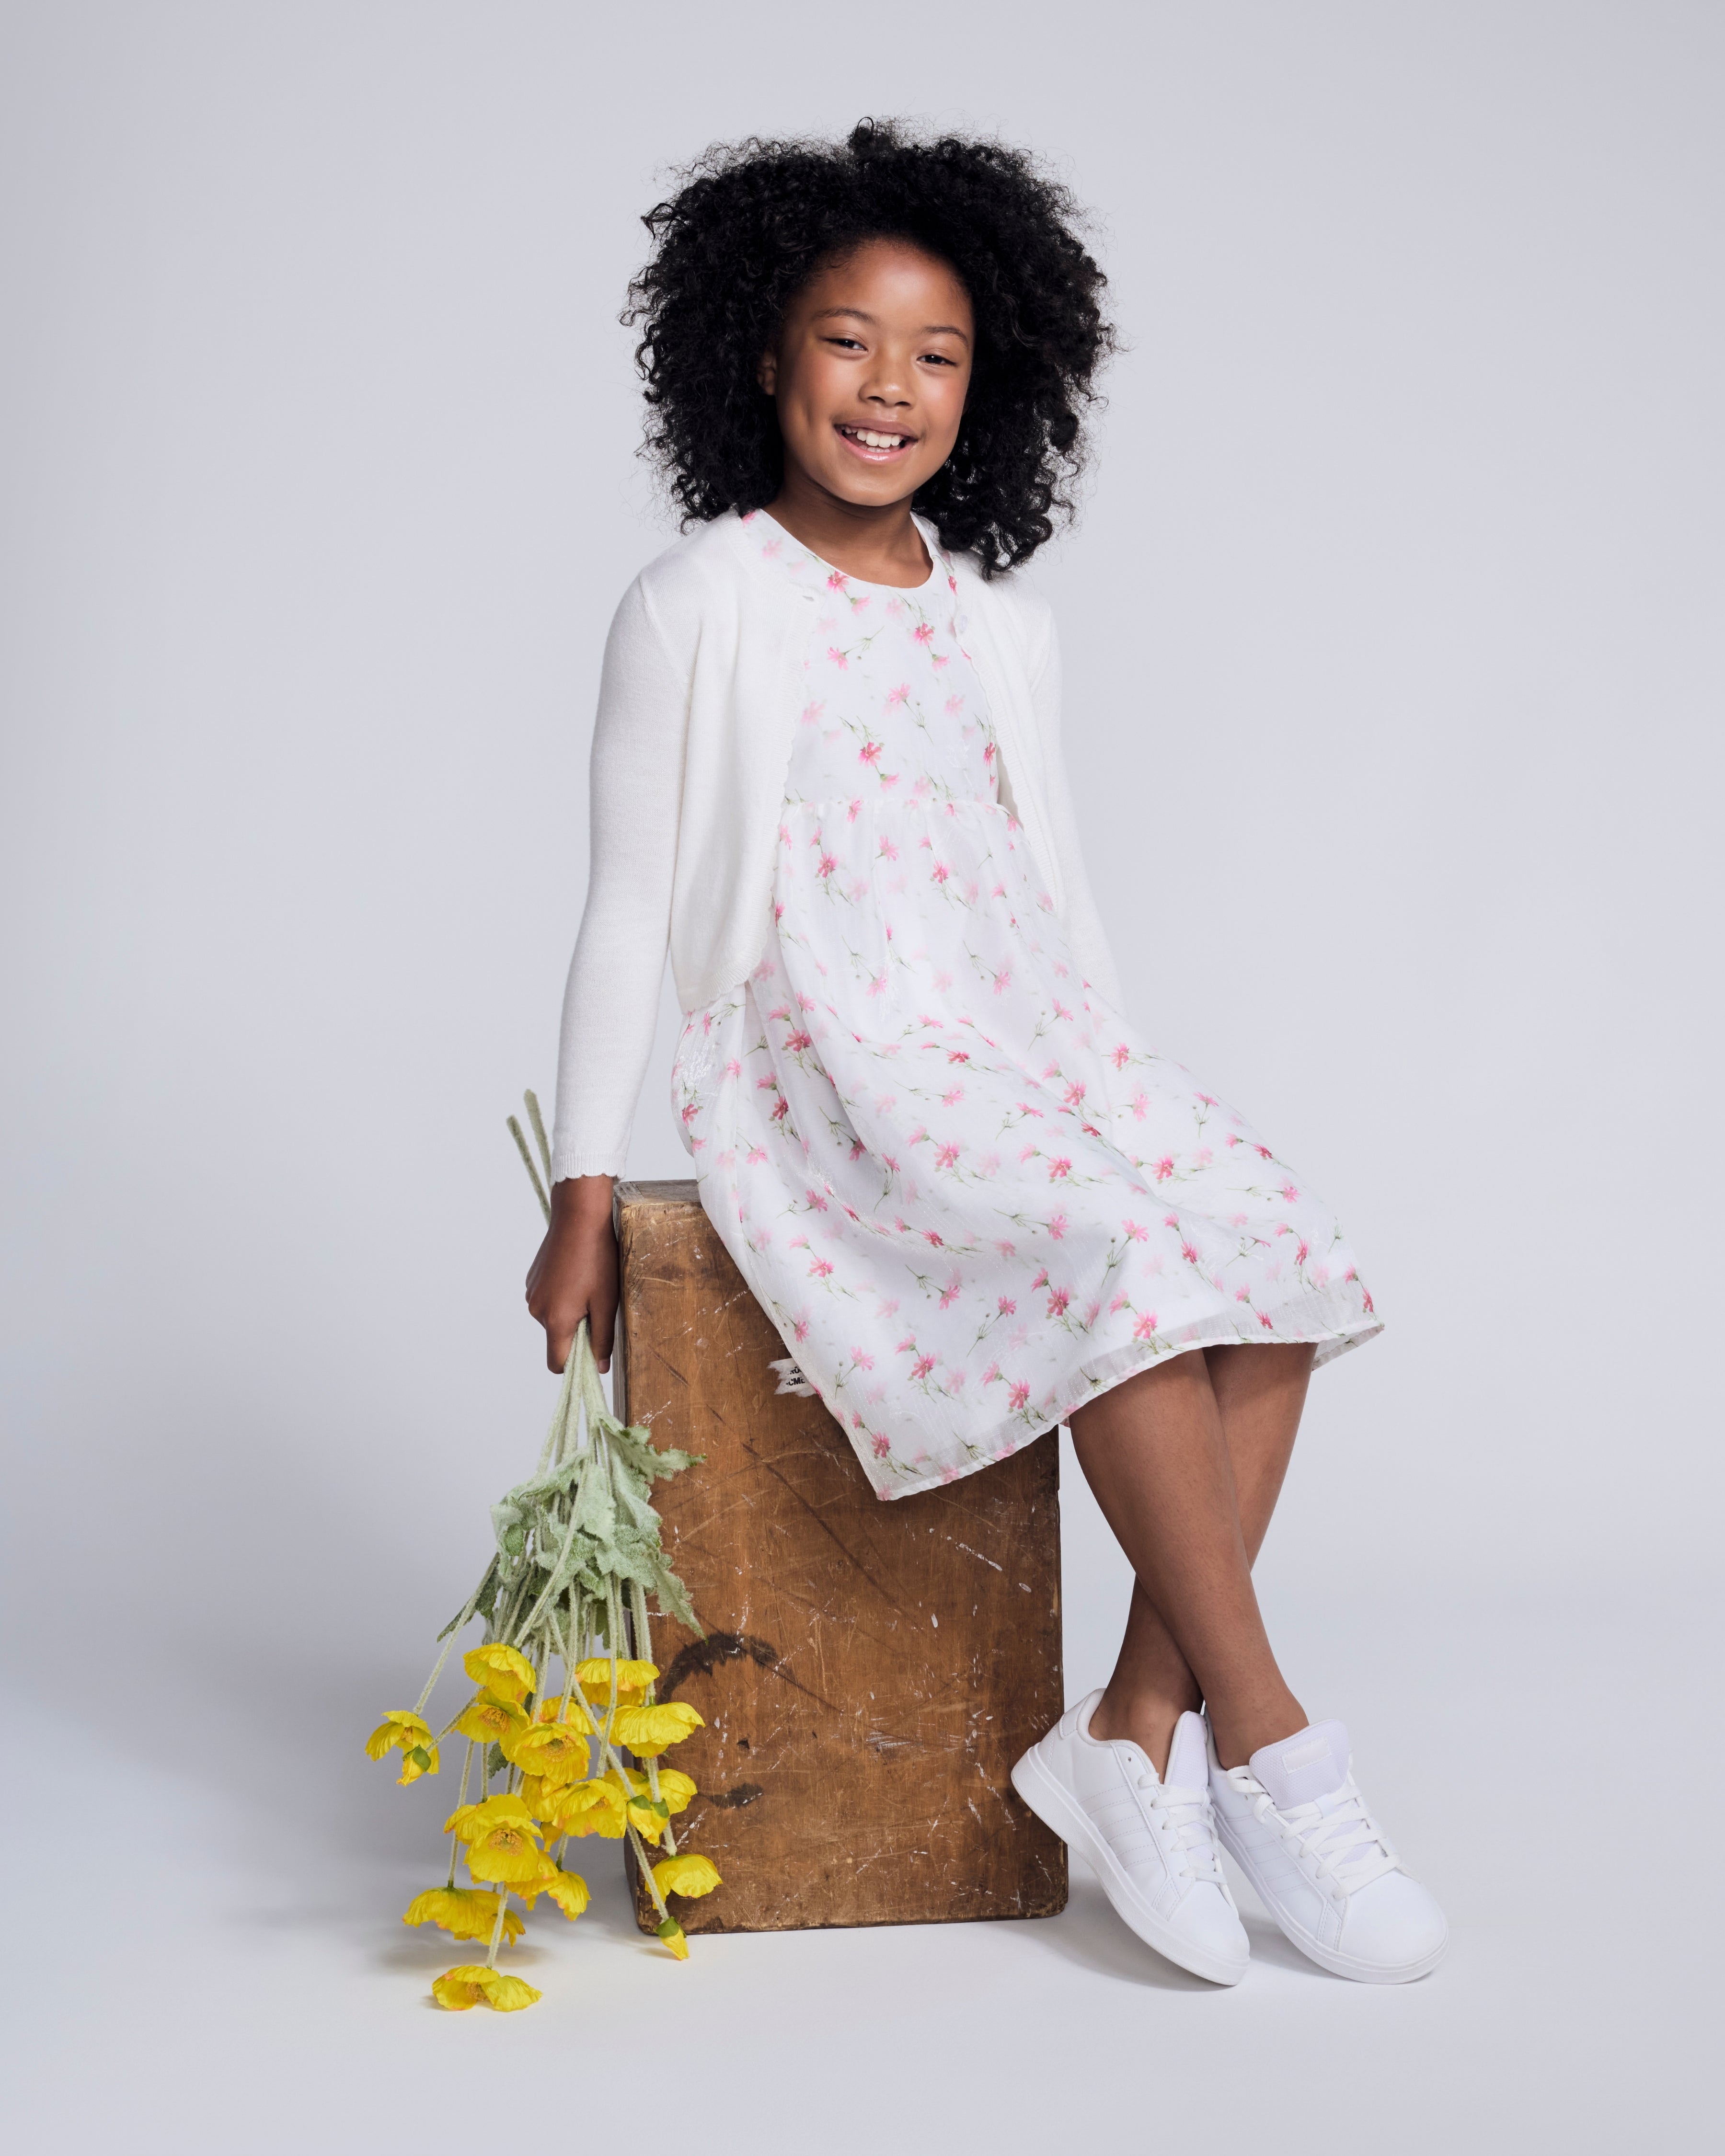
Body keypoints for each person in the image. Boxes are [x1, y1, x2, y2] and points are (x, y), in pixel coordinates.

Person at [527, 121, 1446, 1987]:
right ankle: (1266, 1740)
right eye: (848, 340)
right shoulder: (700, 604)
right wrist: (586, 1185)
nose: (890, 387)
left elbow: (1057, 892)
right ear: (765, 358)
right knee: (1119, 1269)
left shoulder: (1003, 629)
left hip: (1028, 1045)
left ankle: (1123, 1735)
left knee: (1268, 1260)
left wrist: (1130, 1096)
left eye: (935, 354)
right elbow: (630, 905)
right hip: (834, 1066)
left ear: (990, 385)